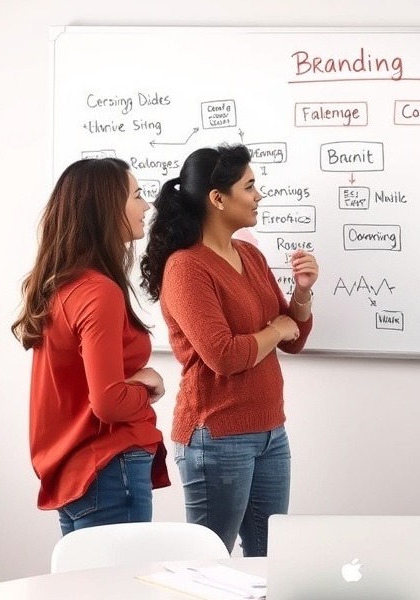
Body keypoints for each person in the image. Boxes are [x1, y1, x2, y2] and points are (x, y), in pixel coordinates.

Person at [140, 144, 318, 556]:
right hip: (215, 435)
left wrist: (303, 294)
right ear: (218, 199)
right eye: (250, 187)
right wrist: (275, 329)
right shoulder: (186, 267)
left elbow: (294, 339)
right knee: (209, 564)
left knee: (270, 560)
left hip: (271, 431)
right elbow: (224, 355)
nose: (258, 196)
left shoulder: (250, 256)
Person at [11, 158, 170, 535]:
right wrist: (148, 385)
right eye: (137, 195)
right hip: (108, 468)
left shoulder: (63, 285)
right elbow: (109, 402)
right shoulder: (99, 291)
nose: (147, 206)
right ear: (105, 208)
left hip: (80, 473)